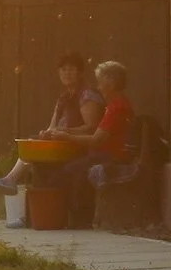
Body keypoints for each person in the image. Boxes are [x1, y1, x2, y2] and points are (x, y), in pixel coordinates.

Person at [0, 50, 104, 194]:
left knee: (38, 153)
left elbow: (92, 128)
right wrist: (47, 133)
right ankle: (10, 180)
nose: (67, 73)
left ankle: (11, 180)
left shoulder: (87, 95)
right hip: (61, 145)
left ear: (80, 73)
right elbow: (52, 127)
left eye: (71, 69)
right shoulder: (64, 97)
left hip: (79, 147)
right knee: (31, 142)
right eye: (63, 69)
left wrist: (66, 132)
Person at [57, 60, 135, 226]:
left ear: (111, 83)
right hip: (106, 153)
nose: (99, 87)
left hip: (112, 156)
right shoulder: (114, 105)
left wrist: (66, 137)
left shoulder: (117, 107)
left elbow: (97, 139)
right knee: (74, 164)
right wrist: (67, 132)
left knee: (70, 169)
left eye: (101, 82)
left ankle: (80, 220)